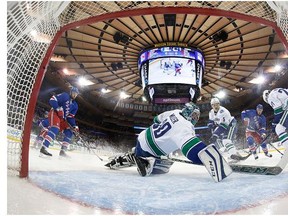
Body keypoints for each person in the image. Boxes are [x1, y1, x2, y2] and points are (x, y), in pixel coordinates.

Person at [106, 102, 232, 183]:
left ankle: (137, 154)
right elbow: (192, 151)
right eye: (194, 116)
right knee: (166, 167)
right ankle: (147, 164)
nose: (195, 119)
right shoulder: (186, 126)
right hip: (153, 150)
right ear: (191, 115)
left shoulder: (175, 112)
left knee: (148, 151)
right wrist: (208, 160)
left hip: (142, 137)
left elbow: (156, 120)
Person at [40, 86, 80, 157]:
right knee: (55, 128)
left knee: (69, 132)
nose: (74, 95)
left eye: (76, 94)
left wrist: (74, 126)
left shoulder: (75, 105)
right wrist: (58, 108)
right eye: (73, 93)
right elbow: (52, 99)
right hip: (55, 113)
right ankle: (44, 148)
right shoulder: (65, 95)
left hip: (62, 118)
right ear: (71, 92)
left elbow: (70, 117)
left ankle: (62, 151)